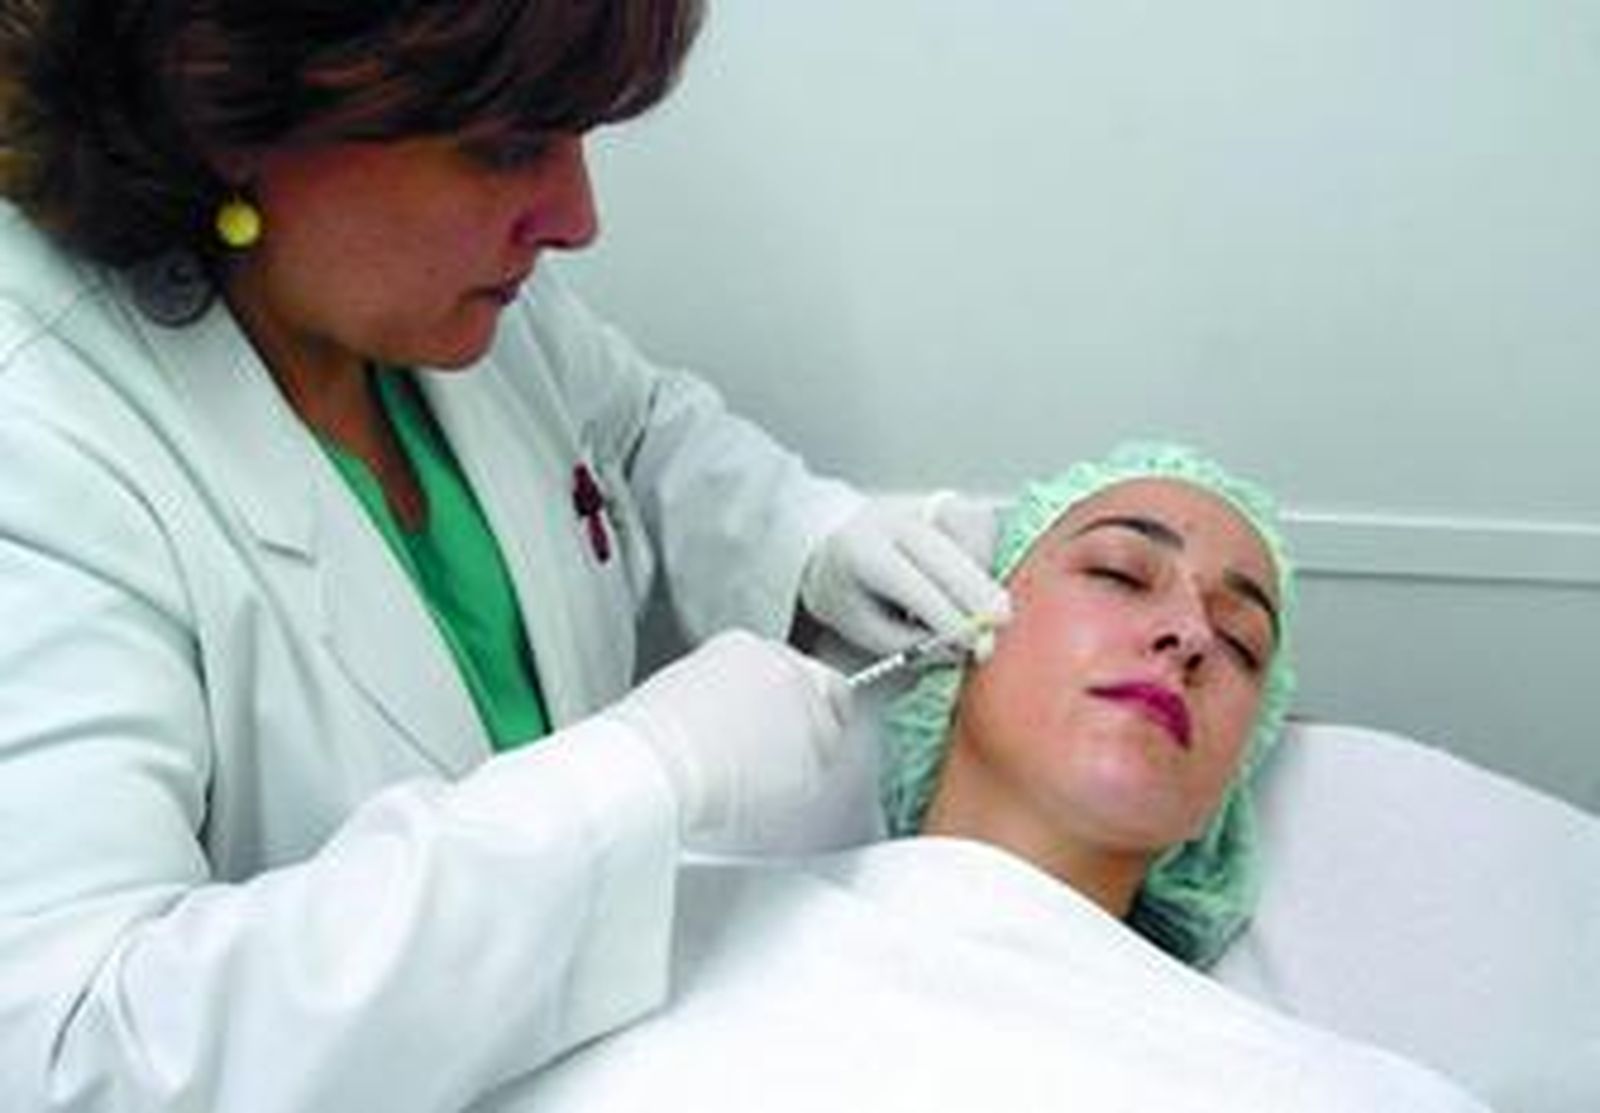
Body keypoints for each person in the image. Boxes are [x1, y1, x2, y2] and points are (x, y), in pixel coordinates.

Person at [0, 4, 1008, 1111]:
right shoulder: (39, 438)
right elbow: (73, 1058)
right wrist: (637, 776)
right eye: (509, 148)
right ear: (225, 114)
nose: (578, 220)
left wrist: (804, 535)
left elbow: (630, 426)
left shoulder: (408, 298)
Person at [497, 443, 1493, 1113]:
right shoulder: (637, 934)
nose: (1190, 633)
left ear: (1232, 780)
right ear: (959, 636)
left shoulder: (1345, 1095)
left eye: (1240, 642)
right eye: (1118, 573)